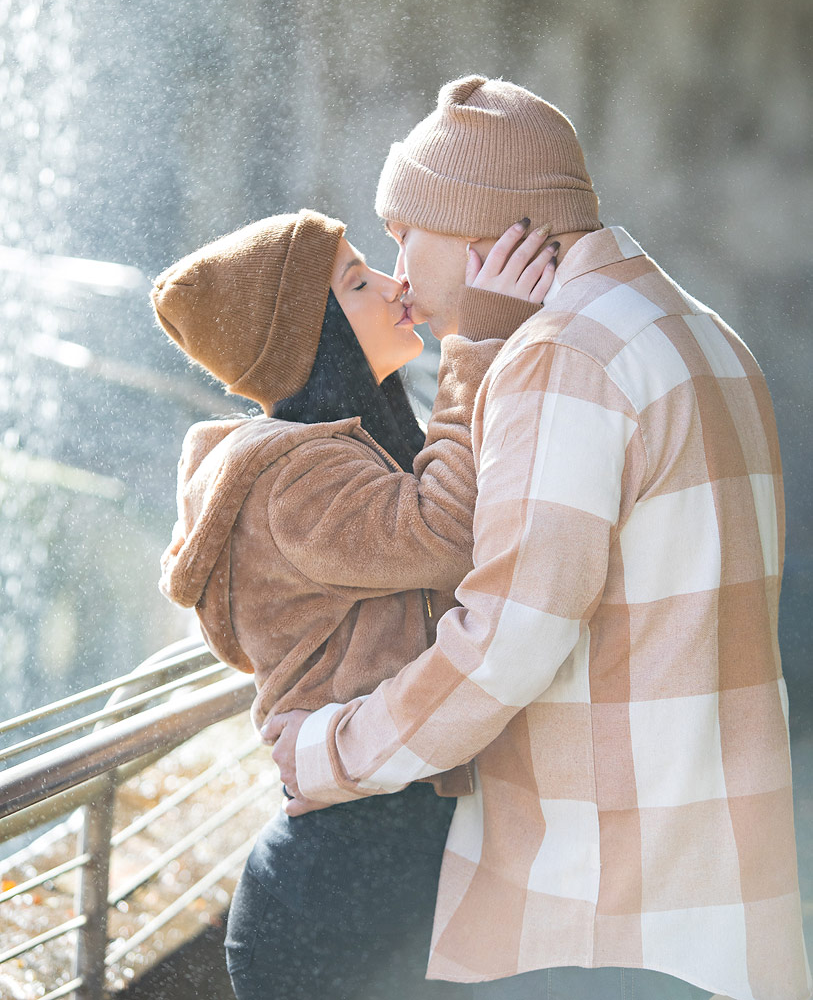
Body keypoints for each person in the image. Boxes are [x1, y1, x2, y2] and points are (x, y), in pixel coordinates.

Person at [268, 75, 812, 1000]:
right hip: (714, 899)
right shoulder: (700, 330)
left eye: (406, 234)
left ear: (481, 229)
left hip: (595, 910)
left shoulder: (562, 356)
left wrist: (328, 752)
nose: (396, 272)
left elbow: (506, 642)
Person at [151, 207, 558, 1000]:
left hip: (376, 876)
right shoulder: (293, 478)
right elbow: (446, 532)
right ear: (312, 330)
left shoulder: (342, 451)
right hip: (332, 906)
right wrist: (476, 341)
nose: (396, 284)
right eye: (358, 281)